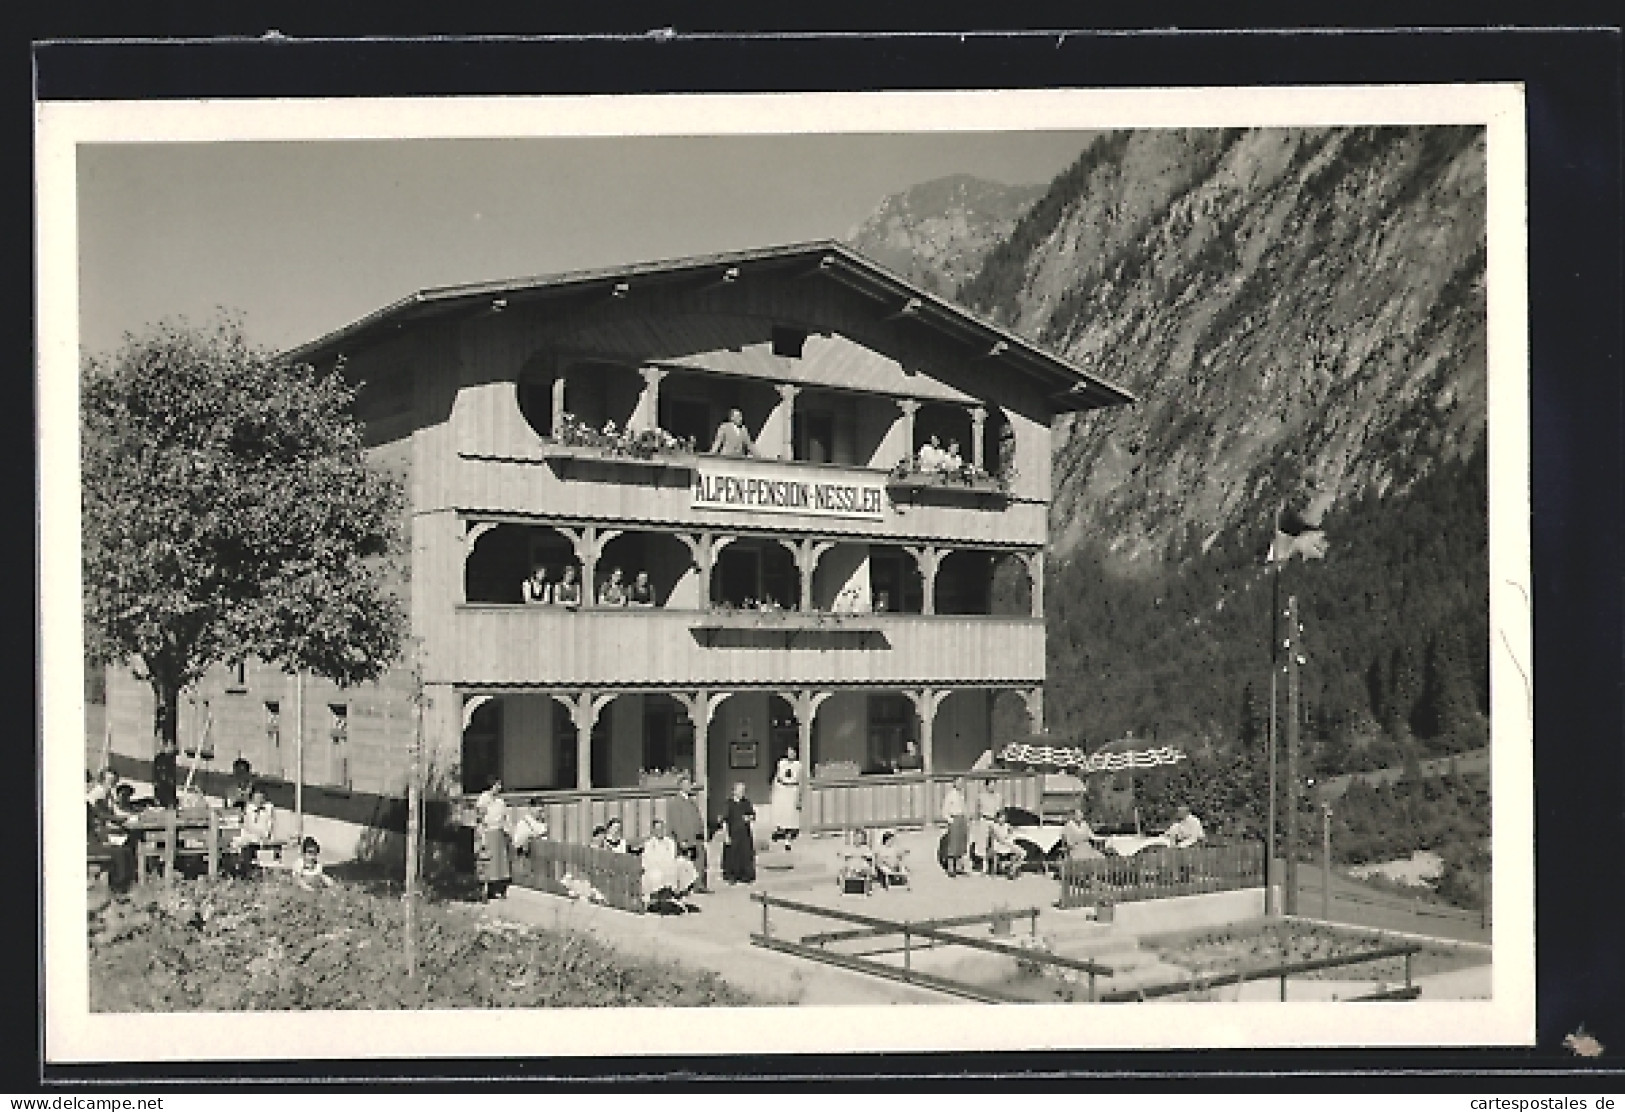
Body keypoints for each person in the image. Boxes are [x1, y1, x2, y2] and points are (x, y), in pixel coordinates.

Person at [638, 818, 699, 909]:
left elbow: (672, 857)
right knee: (656, 874)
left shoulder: (669, 842)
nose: (660, 831)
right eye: (657, 829)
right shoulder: (649, 844)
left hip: (669, 867)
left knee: (684, 863)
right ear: (653, 831)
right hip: (655, 869)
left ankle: (680, 893)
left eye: (661, 829)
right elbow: (648, 861)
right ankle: (659, 897)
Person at [666, 774, 709, 893]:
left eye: (690, 784)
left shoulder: (691, 801)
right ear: (681, 786)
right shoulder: (676, 802)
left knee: (700, 860)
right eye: (687, 784)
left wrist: (701, 832)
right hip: (686, 837)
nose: (690, 786)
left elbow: (697, 818)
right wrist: (682, 839)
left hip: (696, 836)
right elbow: (676, 822)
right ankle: (688, 885)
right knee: (687, 862)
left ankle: (699, 885)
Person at [473, 777, 512, 901]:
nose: (499, 788)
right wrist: (482, 835)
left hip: (499, 832)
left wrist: (508, 831)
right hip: (488, 832)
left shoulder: (500, 801)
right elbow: (480, 818)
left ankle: (498, 889)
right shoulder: (484, 799)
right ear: (492, 785)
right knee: (488, 862)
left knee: (499, 863)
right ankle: (485, 891)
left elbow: (505, 818)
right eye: (497, 785)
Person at [233, 786, 278, 876]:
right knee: (243, 848)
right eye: (257, 798)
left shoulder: (268, 809)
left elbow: (268, 828)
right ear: (252, 798)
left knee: (254, 850)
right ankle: (244, 873)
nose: (259, 801)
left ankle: (250, 874)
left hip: (260, 840)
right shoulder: (247, 808)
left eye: (262, 798)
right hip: (247, 840)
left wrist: (263, 835)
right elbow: (245, 826)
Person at [720, 781, 757, 884]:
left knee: (745, 854)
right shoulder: (729, 803)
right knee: (733, 855)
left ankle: (745, 875)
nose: (742, 793)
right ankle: (732, 876)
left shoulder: (746, 802)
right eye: (740, 791)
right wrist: (726, 835)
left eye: (743, 791)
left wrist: (749, 817)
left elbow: (753, 815)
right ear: (734, 791)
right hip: (733, 832)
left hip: (744, 833)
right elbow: (724, 820)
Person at [769, 744, 802, 849]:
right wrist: (773, 790)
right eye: (788, 751)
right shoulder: (781, 763)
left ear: (796, 754)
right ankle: (779, 832)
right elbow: (777, 776)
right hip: (782, 789)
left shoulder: (798, 765)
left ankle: (788, 840)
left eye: (792, 752)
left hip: (792, 790)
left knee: (790, 815)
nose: (790, 754)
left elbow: (800, 781)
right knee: (780, 812)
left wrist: (799, 797)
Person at [938, 777, 968, 876]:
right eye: (958, 782)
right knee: (953, 844)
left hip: (962, 819)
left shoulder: (962, 795)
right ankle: (950, 868)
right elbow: (944, 810)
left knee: (961, 843)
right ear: (954, 783)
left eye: (962, 782)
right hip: (954, 819)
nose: (960, 784)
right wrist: (950, 820)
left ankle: (959, 867)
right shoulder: (950, 795)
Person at [973, 779, 1004, 874]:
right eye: (990, 784)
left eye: (994, 784)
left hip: (994, 820)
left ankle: (995, 866)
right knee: (983, 843)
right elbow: (977, 810)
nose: (992, 786)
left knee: (996, 844)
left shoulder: (998, 797)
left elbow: (1001, 810)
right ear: (986, 786)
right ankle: (984, 866)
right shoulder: (981, 797)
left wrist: (1001, 819)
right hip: (984, 820)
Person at [987, 810, 1024, 880]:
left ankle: (1012, 868)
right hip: (998, 845)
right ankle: (1009, 869)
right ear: (997, 818)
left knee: (1021, 853)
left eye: (1003, 818)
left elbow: (1013, 832)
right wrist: (1006, 840)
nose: (1002, 820)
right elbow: (997, 838)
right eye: (1000, 818)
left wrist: (1010, 836)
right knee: (1014, 850)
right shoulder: (994, 826)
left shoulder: (1007, 826)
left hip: (1006, 844)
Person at [151, 739, 179, 809]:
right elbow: (157, 771)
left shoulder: (169, 760)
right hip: (163, 785)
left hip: (166, 785)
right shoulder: (160, 759)